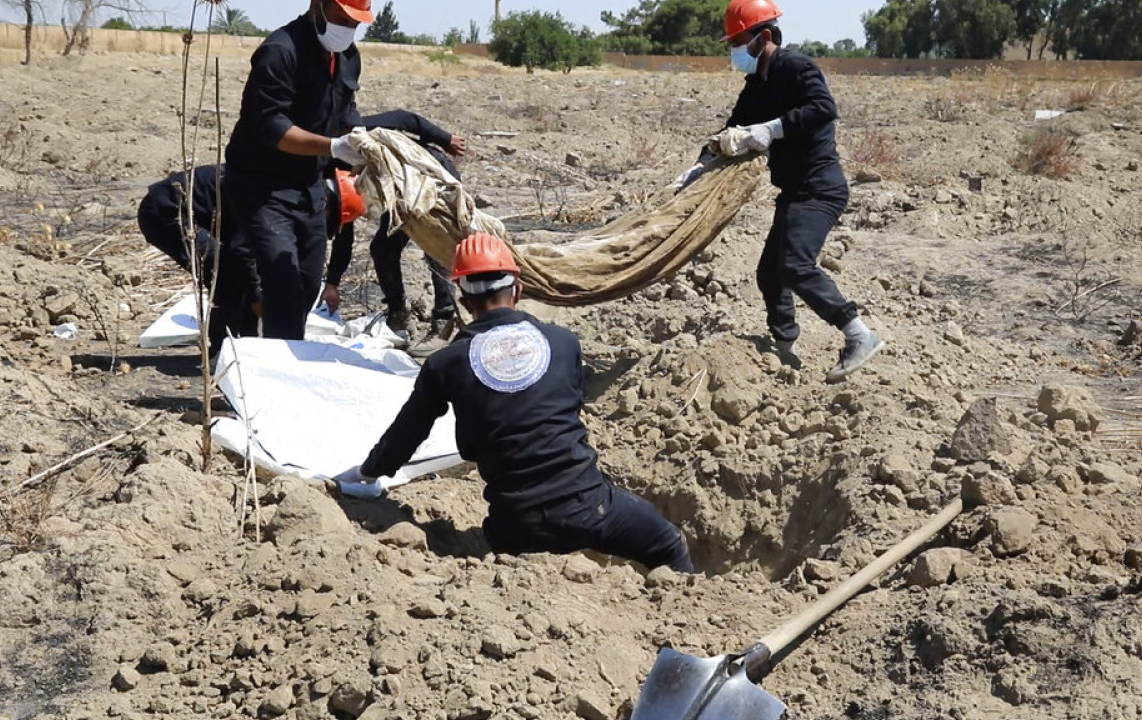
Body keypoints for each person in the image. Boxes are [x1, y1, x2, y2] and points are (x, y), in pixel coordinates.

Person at [332, 233, 694, 573]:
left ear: (460, 296)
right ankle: (683, 626)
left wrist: (366, 473)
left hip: (515, 526)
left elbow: (406, 435)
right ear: (517, 289)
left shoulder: (445, 364)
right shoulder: (563, 343)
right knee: (669, 545)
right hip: (588, 507)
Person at [674, 0, 882, 383]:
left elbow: (823, 108)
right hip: (794, 190)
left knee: (795, 266)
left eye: (738, 40)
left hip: (820, 188)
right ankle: (783, 348)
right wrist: (700, 164)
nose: (734, 49)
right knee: (770, 275)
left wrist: (771, 129)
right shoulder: (757, 84)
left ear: (763, 37)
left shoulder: (796, 67)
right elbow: (731, 128)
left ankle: (858, 333)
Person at [220, 0, 372, 346]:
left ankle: (267, 345)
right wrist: (333, 147)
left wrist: (361, 138)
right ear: (317, 6)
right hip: (262, 187)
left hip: (309, 185)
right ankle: (276, 374)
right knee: (282, 281)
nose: (347, 29)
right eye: (342, 18)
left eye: (355, 22)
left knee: (306, 284)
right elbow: (271, 127)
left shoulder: (347, 56)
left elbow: (346, 110)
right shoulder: (279, 52)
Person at [323, 110, 469, 339]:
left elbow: (405, 119)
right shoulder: (329, 164)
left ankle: (444, 317)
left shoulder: (358, 132)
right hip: (391, 190)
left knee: (433, 241)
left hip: (429, 174)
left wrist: (445, 139)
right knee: (383, 249)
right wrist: (332, 283)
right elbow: (345, 232)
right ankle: (398, 313)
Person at [136, 164, 259, 354]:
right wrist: (257, 296)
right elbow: (242, 251)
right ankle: (222, 350)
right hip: (166, 210)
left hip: (198, 212)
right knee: (224, 273)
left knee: (238, 274)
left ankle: (245, 344)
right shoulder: (262, 194)